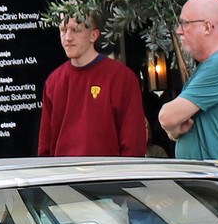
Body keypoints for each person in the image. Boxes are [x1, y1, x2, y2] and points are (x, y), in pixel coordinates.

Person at [34, 12, 148, 159]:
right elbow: (45, 147)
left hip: (108, 172)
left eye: (76, 30)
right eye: (63, 30)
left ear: (94, 35)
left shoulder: (122, 78)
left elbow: (134, 144)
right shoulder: (53, 82)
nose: (67, 37)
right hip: (63, 172)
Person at [157, 0, 218, 169]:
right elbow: (173, 125)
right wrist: (174, 130)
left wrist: (173, 126)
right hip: (213, 177)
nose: (179, 31)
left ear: (207, 27)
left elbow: (166, 117)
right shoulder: (215, 64)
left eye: (185, 23)